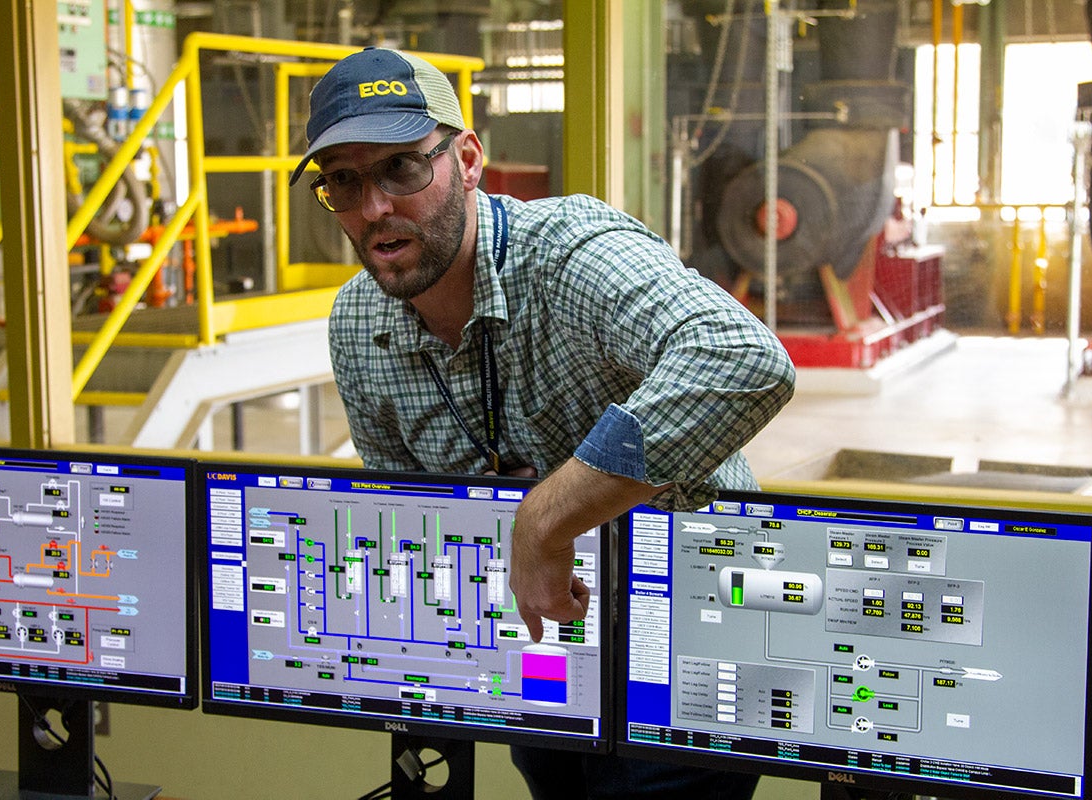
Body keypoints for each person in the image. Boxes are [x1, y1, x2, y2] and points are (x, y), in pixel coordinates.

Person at [290, 46, 795, 800]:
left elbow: (743, 359)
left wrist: (543, 520)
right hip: (541, 649)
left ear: (465, 160)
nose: (373, 209)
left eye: (401, 169)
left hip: (683, 629)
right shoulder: (359, 322)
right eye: (343, 181)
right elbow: (406, 515)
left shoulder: (570, 255)